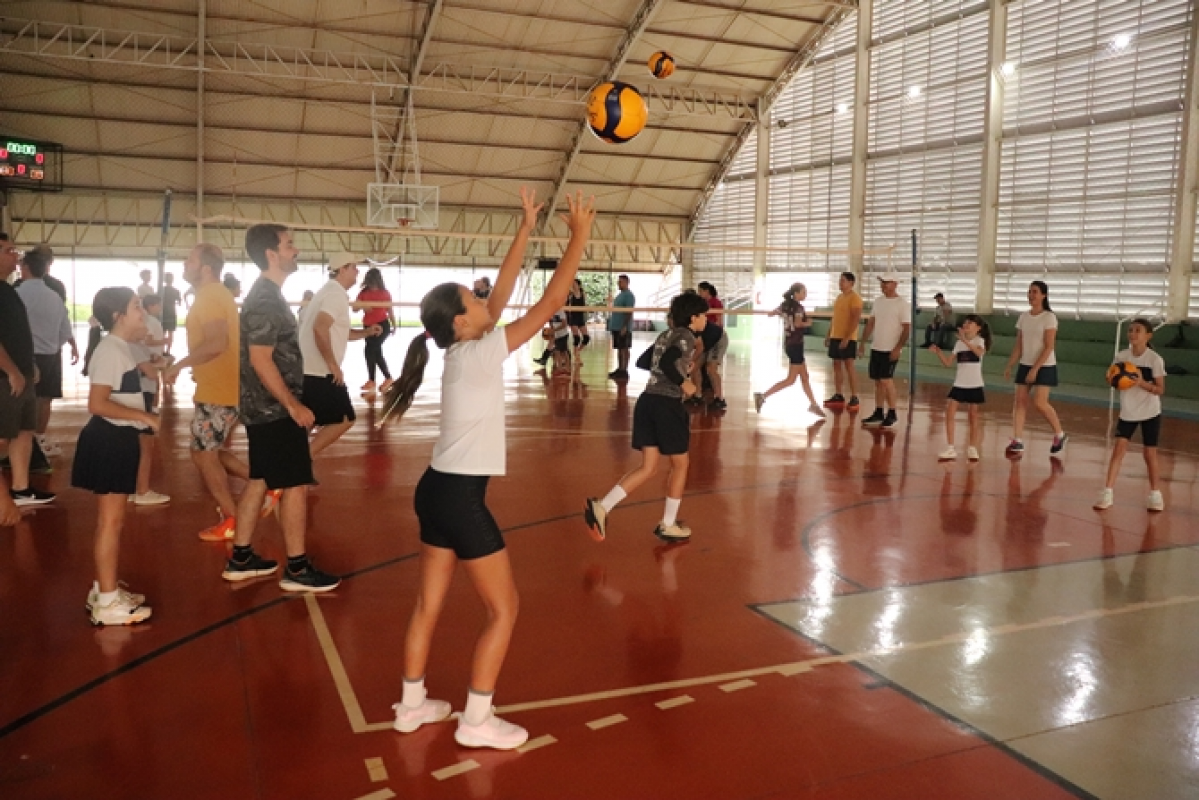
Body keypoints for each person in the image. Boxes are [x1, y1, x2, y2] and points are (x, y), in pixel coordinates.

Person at [382, 188, 595, 751]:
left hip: (434, 492)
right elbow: (551, 303)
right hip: (459, 500)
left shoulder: (462, 351)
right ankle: (476, 720)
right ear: (462, 321)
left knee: (427, 605)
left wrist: (525, 227)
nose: (484, 301)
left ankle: (411, 706)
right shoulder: (479, 353)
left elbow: (497, 299)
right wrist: (578, 237)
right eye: (473, 300)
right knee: (504, 609)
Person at [221, 223, 338, 592]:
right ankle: (298, 569)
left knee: (260, 479)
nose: (295, 250)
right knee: (295, 485)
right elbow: (260, 359)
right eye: (289, 245)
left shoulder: (268, 295)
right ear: (271, 254)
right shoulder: (265, 301)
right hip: (273, 410)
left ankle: (241, 557)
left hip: (265, 408)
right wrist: (293, 405)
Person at [585, 291, 709, 544]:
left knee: (648, 467)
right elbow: (666, 363)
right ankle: (668, 524)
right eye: (703, 315)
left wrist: (681, 367)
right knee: (680, 465)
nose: (706, 320)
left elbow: (645, 361)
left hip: (647, 402)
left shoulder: (665, 335)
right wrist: (683, 382)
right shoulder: (686, 336)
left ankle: (603, 507)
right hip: (667, 405)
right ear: (693, 317)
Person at [73, 287, 158, 625]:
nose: (142, 312)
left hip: (117, 438)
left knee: (112, 521)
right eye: (136, 306)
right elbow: (97, 403)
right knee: (110, 522)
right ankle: (108, 602)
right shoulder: (111, 350)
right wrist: (143, 416)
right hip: (109, 439)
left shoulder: (120, 347)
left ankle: (103, 590)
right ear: (117, 316)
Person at [164, 243, 255, 542]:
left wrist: (180, 364)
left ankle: (232, 517)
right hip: (219, 386)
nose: (184, 263)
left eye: (189, 259)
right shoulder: (214, 295)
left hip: (220, 390)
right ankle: (263, 483)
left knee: (204, 453)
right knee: (203, 450)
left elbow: (217, 343)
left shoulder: (210, 296)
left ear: (205, 268)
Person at [299, 253, 381, 457]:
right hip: (320, 371)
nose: (357, 271)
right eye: (353, 267)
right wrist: (333, 365)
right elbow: (320, 328)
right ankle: (303, 460)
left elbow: (338, 332)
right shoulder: (335, 295)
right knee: (345, 418)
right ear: (342, 270)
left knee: (308, 420)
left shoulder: (329, 292)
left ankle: (293, 461)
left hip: (309, 369)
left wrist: (366, 332)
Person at [0, 238, 55, 514]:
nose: (16, 256)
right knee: (2, 435)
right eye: (8, 250)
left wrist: (28, 364)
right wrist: (11, 370)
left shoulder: (9, 290)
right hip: (5, 376)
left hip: (22, 371)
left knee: (23, 430)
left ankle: (21, 488)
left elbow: (17, 333)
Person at [1094, 319, 1166, 512]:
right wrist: (1112, 378)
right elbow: (1112, 377)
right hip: (1128, 411)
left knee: (1149, 454)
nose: (1133, 333)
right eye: (1131, 330)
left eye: (1137, 330)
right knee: (1118, 450)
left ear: (1148, 335)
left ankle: (1155, 495)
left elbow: (1160, 389)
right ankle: (1107, 493)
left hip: (1150, 412)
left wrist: (1141, 383)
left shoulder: (1154, 360)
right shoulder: (1122, 356)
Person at [16, 248, 78, 458]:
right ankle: (39, 440)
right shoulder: (55, 296)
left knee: (22, 398)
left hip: (22, 355)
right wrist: (57, 345)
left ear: (24, 267)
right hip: (50, 354)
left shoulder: (16, 294)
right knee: (45, 398)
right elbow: (64, 329)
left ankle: (20, 442)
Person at [1003, 280, 1067, 457]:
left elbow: (1049, 346)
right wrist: (1010, 365)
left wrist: (1035, 369)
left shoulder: (1049, 317)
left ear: (1044, 295)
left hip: (1044, 365)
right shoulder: (1024, 317)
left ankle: (1060, 434)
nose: (1031, 295)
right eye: (1029, 291)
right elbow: (1019, 344)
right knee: (1020, 402)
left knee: (1040, 402)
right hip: (1025, 363)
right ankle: (1017, 440)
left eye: (1035, 292)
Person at [126, 295, 170, 506]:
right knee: (145, 443)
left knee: (135, 442)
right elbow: (150, 373)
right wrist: (163, 366)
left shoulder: (126, 345)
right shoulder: (133, 346)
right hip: (141, 394)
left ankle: (130, 487)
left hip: (137, 394)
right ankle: (142, 490)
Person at [754, 283, 823, 416]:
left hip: (789, 344)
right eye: (803, 292)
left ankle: (814, 405)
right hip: (796, 345)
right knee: (791, 380)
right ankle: (762, 396)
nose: (805, 295)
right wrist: (808, 323)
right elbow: (797, 324)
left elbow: (771, 314)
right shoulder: (798, 308)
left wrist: (780, 315)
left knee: (805, 377)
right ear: (796, 293)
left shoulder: (784, 305)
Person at [930, 314, 992, 461]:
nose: (966, 325)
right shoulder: (958, 344)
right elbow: (947, 363)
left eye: (970, 323)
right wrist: (938, 352)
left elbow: (978, 352)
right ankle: (951, 448)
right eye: (965, 322)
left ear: (978, 328)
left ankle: (972, 448)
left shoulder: (979, 341)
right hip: (959, 383)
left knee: (973, 416)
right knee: (950, 413)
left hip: (975, 383)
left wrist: (965, 340)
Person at [860, 273, 910, 429]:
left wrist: (898, 348)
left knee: (886, 380)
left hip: (890, 349)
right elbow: (871, 323)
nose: (883, 285)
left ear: (895, 284)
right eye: (882, 282)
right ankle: (879, 411)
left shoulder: (902, 304)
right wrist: (862, 343)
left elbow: (906, 329)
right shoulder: (878, 302)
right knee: (877, 382)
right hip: (877, 347)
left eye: (886, 282)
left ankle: (892, 412)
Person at [823, 272, 863, 410]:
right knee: (836, 365)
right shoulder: (839, 297)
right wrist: (829, 334)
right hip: (836, 335)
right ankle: (838, 394)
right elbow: (835, 318)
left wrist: (847, 337)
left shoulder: (855, 298)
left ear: (851, 283)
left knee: (849, 365)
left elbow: (855, 319)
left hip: (848, 337)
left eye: (843, 281)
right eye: (840, 280)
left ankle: (854, 396)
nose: (840, 283)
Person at [357, 267, 397, 394]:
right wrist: (363, 305)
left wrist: (394, 325)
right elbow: (354, 308)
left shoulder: (385, 293)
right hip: (368, 326)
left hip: (382, 325)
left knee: (371, 349)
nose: (372, 284)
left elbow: (390, 310)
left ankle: (381, 378)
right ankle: (378, 379)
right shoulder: (363, 293)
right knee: (374, 351)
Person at [691, 315, 728, 410]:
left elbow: (700, 348)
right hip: (705, 343)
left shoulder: (693, 324)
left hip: (718, 340)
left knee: (710, 369)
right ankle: (698, 395)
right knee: (694, 368)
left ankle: (719, 399)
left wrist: (691, 360)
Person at [607, 275, 635, 380]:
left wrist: (624, 326)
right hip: (616, 327)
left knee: (624, 348)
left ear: (626, 283)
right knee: (619, 348)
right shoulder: (620, 295)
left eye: (621, 282)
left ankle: (624, 371)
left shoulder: (629, 296)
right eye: (618, 282)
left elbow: (629, 312)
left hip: (623, 327)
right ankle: (620, 369)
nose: (618, 284)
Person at [565, 278, 590, 365]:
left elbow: (585, 305)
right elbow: (567, 306)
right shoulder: (570, 295)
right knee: (577, 338)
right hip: (573, 318)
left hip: (580, 317)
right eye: (572, 284)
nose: (573, 285)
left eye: (575, 284)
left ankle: (577, 351)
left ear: (579, 285)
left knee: (586, 338)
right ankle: (577, 358)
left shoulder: (583, 294)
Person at [160, 273, 182, 355]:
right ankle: (168, 351)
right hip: (172, 311)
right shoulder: (176, 291)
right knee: (171, 333)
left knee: (162, 332)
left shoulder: (161, 290)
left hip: (163, 312)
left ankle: (161, 350)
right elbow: (179, 302)